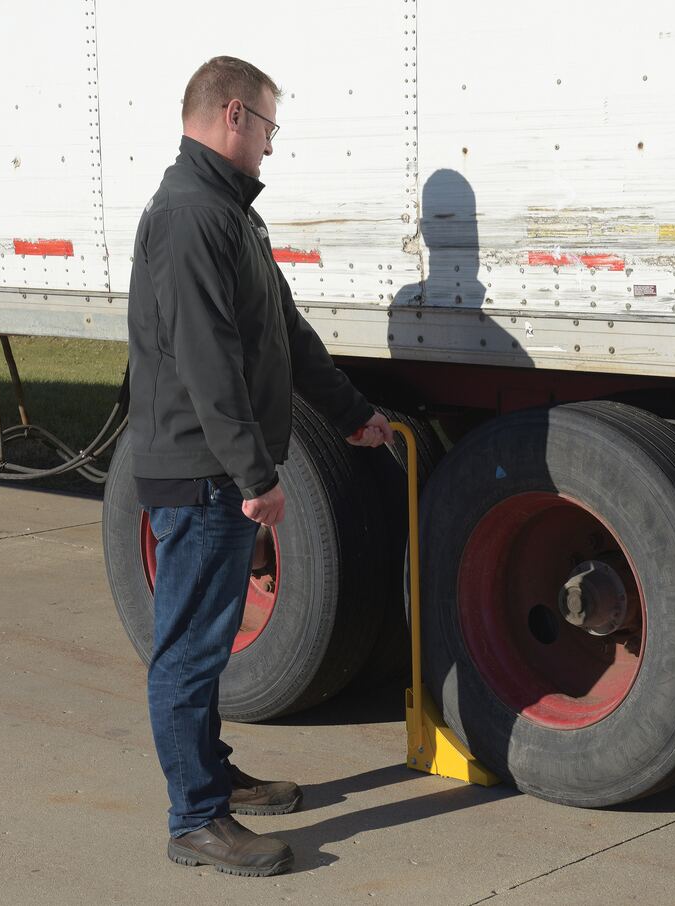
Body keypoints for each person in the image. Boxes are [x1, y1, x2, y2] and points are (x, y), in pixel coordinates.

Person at [124, 55, 394, 878]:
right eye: (270, 126)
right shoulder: (189, 214)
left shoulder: (229, 212)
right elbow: (206, 362)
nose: (273, 144)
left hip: (216, 468)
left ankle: (211, 775)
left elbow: (285, 333)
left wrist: (352, 413)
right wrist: (255, 476)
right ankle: (195, 820)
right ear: (234, 114)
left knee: (204, 644)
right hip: (200, 470)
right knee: (188, 650)